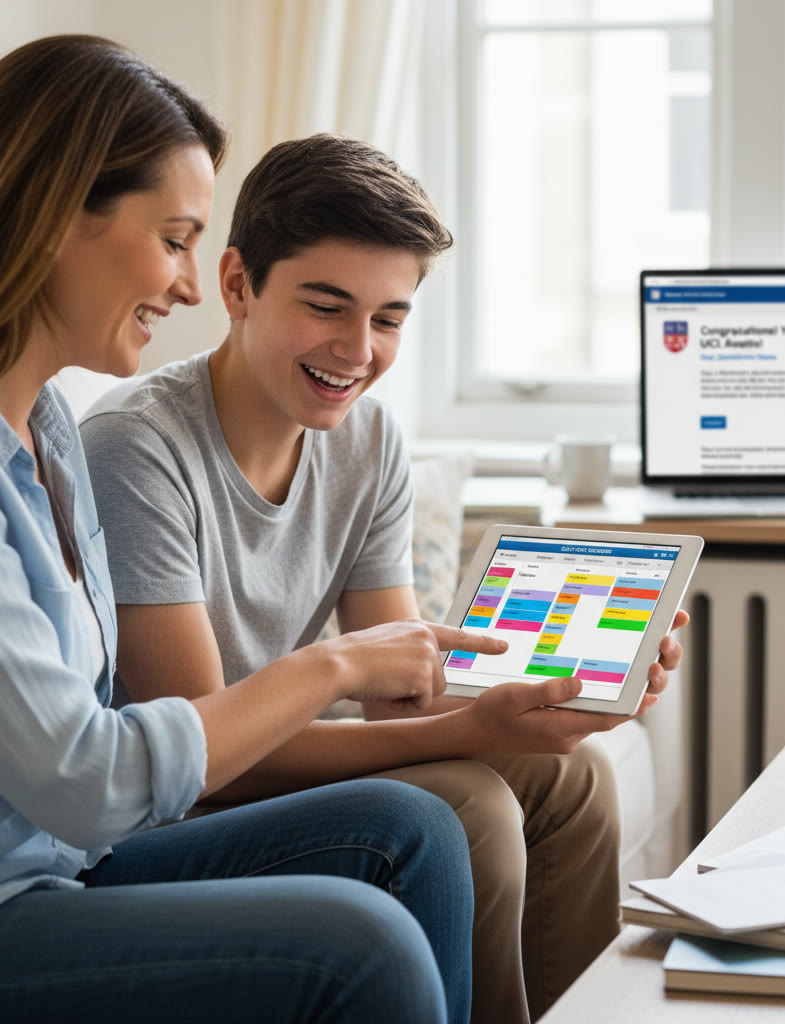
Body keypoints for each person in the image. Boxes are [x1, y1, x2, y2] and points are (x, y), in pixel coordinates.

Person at [80, 133, 689, 1023]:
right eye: (326, 307)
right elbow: (205, 761)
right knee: (471, 803)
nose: (357, 350)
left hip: (255, 760)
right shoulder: (135, 445)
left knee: (575, 775)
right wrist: (475, 731)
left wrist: (565, 690)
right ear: (240, 284)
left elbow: (399, 698)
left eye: (389, 319)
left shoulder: (368, 441)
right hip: (170, 800)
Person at [0, 34, 500, 1024]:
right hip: (22, 891)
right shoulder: (119, 440)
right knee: (364, 946)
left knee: (418, 827)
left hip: (62, 866)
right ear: (60, 216)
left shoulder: (48, 430)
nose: (187, 286)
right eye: (175, 236)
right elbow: (92, 778)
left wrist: (519, 698)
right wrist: (335, 666)